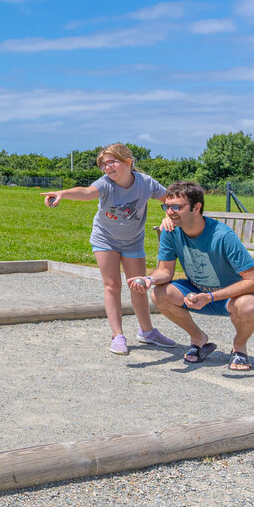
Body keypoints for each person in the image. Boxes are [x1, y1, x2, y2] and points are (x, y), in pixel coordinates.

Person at [42, 144, 175, 355]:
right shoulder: (105, 184)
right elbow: (86, 193)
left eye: (112, 161)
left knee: (138, 286)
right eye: (103, 164)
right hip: (105, 239)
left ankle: (147, 332)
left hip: (133, 240)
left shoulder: (146, 183)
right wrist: (63, 193)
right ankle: (118, 336)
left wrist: (169, 214)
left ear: (128, 162)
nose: (107, 167)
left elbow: (169, 198)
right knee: (112, 285)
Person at [128, 181, 254, 371]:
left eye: (176, 207)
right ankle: (198, 339)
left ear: (197, 207)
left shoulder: (223, 236)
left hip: (231, 298)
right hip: (199, 293)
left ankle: (239, 347)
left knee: (249, 306)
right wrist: (148, 279)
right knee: (159, 293)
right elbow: (165, 271)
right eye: (167, 207)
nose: (169, 212)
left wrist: (210, 297)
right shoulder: (171, 231)